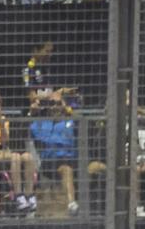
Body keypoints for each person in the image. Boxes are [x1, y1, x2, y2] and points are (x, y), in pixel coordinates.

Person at [29, 88, 101, 216]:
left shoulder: (71, 120)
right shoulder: (41, 123)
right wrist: (33, 113)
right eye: (51, 104)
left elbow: (88, 126)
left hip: (75, 160)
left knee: (97, 167)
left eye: (58, 103)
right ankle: (71, 204)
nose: (55, 107)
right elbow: (34, 134)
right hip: (51, 162)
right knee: (66, 169)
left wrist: (70, 110)